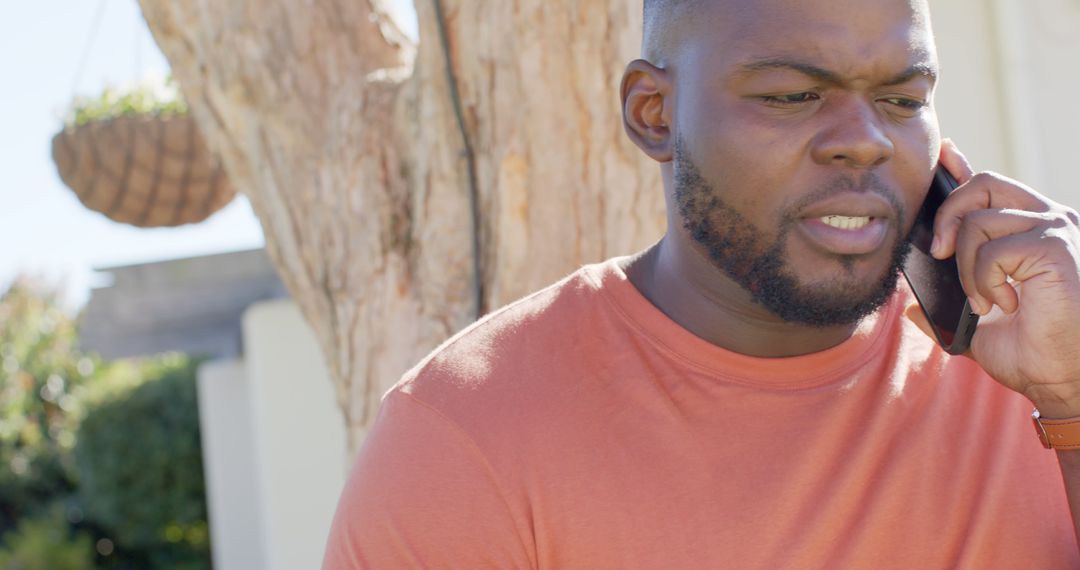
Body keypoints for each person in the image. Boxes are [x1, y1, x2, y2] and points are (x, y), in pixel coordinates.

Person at [324, 0, 1080, 566]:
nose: (864, 140)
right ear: (654, 114)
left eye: (903, 100)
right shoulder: (465, 439)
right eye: (791, 95)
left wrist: (1072, 398)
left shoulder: (1038, 361)